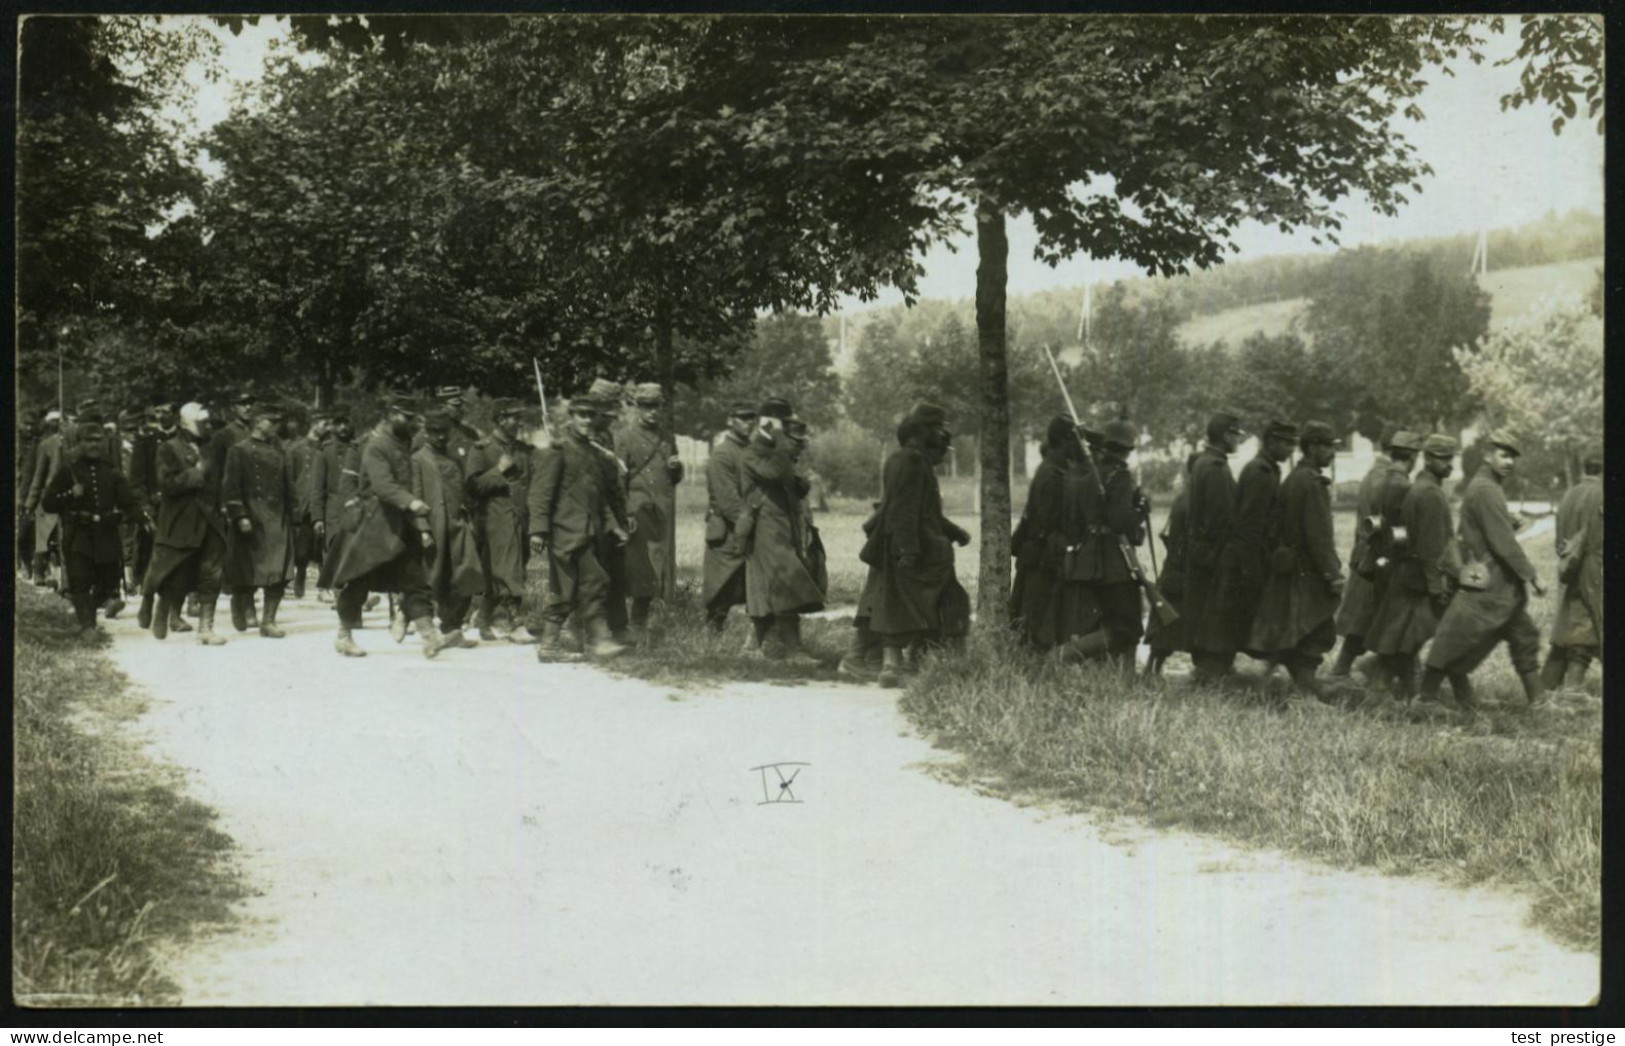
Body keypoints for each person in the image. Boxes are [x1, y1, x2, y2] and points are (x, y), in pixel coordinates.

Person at [1420, 433, 1547, 711]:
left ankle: (1539, 700)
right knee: (1455, 639)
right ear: (1487, 455)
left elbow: (1483, 531)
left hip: (1498, 586)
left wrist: (1507, 522)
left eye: (1513, 456)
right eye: (1504, 455)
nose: (1510, 462)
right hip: (1488, 583)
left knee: (1524, 635)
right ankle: (1425, 698)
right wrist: (1532, 575)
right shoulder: (1486, 489)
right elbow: (1502, 542)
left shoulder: (1486, 486)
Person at [326, 395, 451, 659]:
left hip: (400, 526)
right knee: (359, 582)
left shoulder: (405, 443)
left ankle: (430, 637)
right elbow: (382, 485)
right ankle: (344, 636)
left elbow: (409, 481)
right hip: (374, 525)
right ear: (391, 414)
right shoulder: (376, 445)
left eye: (412, 417)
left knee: (415, 580)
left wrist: (419, 524)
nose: (410, 422)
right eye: (405, 417)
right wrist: (412, 503)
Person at [865, 402, 972, 687]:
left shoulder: (913, 460)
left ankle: (906, 663)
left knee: (911, 604)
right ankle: (895, 667)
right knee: (908, 605)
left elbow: (928, 513)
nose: (941, 436)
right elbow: (903, 510)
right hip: (913, 548)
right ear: (919, 432)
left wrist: (954, 532)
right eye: (936, 429)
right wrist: (907, 550)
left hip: (921, 545)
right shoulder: (909, 462)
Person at [1248, 422, 1346, 698]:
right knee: (1315, 628)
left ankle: (1288, 683)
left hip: (1292, 568)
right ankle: (1299, 686)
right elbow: (1319, 536)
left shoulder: (1295, 478)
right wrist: (1333, 574)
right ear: (1313, 447)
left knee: (1295, 630)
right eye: (1327, 447)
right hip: (1307, 572)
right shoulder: (1311, 483)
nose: (1332, 454)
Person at [528, 393, 629, 661]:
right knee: (594, 581)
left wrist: (613, 526)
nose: (586, 420)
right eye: (581, 414)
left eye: (591, 415)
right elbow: (540, 493)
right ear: (571, 416)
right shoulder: (557, 450)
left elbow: (599, 497)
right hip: (566, 530)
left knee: (567, 588)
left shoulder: (594, 453)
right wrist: (538, 530)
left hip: (590, 531)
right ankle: (599, 641)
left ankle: (550, 645)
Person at [1366, 435, 1461, 703]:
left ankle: (1407, 690)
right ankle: (1384, 691)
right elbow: (1431, 548)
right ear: (1427, 459)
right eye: (1442, 458)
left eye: (1450, 458)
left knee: (1404, 638)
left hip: (1408, 575)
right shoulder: (1429, 494)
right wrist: (1436, 587)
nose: (1448, 464)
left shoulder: (1419, 488)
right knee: (1408, 638)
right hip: (1419, 580)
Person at [738, 397, 826, 663]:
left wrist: (801, 481)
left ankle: (755, 646)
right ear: (770, 423)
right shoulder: (754, 451)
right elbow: (773, 473)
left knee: (767, 586)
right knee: (788, 580)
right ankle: (794, 650)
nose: (788, 429)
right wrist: (783, 445)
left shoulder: (776, 449)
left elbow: (789, 481)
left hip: (782, 526)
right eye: (783, 423)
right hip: (765, 526)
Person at [1331, 430, 1422, 681]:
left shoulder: (1375, 475)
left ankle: (1397, 674)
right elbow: (1394, 525)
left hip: (1369, 554)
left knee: (1368, 619)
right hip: (1381, 556)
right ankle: (1388, 677)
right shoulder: (1393, 481)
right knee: (1381, 619)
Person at [41, 420, 141, 640]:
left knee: (108, 582)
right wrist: (70, 495)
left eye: (98, 440)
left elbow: (129, 502)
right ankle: (86, 624)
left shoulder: (112, 472)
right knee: (80, 579)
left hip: (105, 535)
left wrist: (131, 516)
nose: (94, 445)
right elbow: (48, 503)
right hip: (78, 534)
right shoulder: (69, 471)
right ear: (79, 443)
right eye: (89, 440)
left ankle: (89, 616)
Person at [145, 402, 231, 645]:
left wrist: (223, 506)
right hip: (181, 522)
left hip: (210, 521)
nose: (207, 426)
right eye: (202, 422)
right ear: (187, 423)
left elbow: (220, 482)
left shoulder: (211, 448)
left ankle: (206, 628)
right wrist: (197, 473)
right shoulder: (168, 448)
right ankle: (163, 610)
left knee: (211, 574)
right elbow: (167, 484)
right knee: (177, 574)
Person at [613, 382, 684, 639]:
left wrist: (676, 469)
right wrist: (624, 515)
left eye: (656, 406)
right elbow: (618, 480)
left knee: (654, 567)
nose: (652, 412)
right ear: (636, 407)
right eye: (646, 406)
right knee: (636, 568)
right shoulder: (624, 438)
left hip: (659, 512)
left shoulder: (667, 438)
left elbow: (672, 478)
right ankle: (629, 625)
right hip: (636, 511)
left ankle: (637, 623)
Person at [221, 402, 297, 638]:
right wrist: (240, 515)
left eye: (276, 422)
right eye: (270, 421)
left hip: (276, 517)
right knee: (247, 568)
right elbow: (231, 488)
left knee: (280, 570)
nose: (275, 426)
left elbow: (288, 487)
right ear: (258, 422)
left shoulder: (279, 451)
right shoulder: (239, 450)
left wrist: (292, 516)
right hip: (251, 516)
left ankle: (268, 621)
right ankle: (240, 601)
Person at [1183, 411, 1248, 683]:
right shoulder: (1216, 468)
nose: (1238, 441)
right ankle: (1213, 671)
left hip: (1201, 550)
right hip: (1214, 553)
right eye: (1235, 435)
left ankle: (1209, 668)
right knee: (1216, 611)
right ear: (1225, 436)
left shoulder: (1203, 463)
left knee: (1204, 609)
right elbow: (1222, 518)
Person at [412, 408, 483, 649]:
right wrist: (422, 527)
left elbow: (463, 489)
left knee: (469, 573)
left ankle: (453, 628)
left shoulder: (454, 458)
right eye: (435, 433)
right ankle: (412, 616)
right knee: (434, 577)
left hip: (458, 524)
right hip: (434, 527)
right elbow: (416, 494)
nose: (440, 437)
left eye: (444, 432)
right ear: (426, 432)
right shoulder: (418, 458)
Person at [466, 398, 535, 642]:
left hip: (521, 516)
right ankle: (516, 623)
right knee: (508, 569)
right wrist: (499, 471)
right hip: (496, 517)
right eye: (513, 417)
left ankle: (483, 617)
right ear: (500, 419)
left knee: (513, 567)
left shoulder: (523, 450)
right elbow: (472, 487)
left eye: (519, 417)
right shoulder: (482, 449)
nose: (518, 422)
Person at [1009, 416, 1077, 651]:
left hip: (1043, 551)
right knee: (1037, 613)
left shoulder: (1054, 469)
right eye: (1076, 438)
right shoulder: (1052, 474)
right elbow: (1046, 520)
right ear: (1066, 439)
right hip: (1044, 554)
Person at [1088, 419, 1150, 671]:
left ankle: (1117, 676)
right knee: (1127, 625)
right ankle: (1064, 655)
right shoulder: (1121, 476)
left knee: (1112, 621)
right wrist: (1141, 510)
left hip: (1095, 556)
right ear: (1128, 449)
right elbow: (1120, 521)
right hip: (1116, 558)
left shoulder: (1093, 472)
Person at [1541, 443, 1603, 691]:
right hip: (1594, 569)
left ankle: (1546, 686)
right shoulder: (1603, 494)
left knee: (1568, 625)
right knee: (1587, 625)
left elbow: (1559, 542)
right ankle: (1572, 690)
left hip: (1569, 567)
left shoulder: (1569, 494)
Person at [701, 403, 758, 632]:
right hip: (727, 531)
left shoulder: (753, 451)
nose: (748, 423)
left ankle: (757, 638)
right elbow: (727, 501)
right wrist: (750, 525)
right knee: (721, 588)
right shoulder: (723, 453)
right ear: (731, 420)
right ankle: (709, 637)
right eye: (743, 418)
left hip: (747, 527)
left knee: (752, 584)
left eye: (751, 418)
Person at [210, 391, 262, 632]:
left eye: (251, 403)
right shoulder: (223, 436)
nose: (248, 407)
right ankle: (239, 602)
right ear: (233, 407)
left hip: (256, 502)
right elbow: (217, 473)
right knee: (236, 555)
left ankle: (249, 601)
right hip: (233, 502)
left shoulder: (259, 433)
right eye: (243, 403)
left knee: (255, 554)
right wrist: (222, 503)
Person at [1145, 453, 1200, 677]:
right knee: (1171, 625)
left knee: (1166, 628)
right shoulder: (1193, 501)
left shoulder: (1183, 499)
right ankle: (1152, 670)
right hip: (1183, 571)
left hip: (1175, 570)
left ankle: (1152, 669)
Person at [311, 406, 357, 604]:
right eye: (339, 424)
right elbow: (317, 488)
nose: (343, 428)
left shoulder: (358, 450)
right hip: (333, 511)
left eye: (346, 423)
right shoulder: (325, 453)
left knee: (355, 553)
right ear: (332, 427)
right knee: (335, 553)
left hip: (355, 508)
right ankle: (341, 598)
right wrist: (318, 518)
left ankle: (353, 599)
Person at [23, 409, 67, 589]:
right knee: (44, 537)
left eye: (59, 421)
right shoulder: (46, 444)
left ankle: (66, 580)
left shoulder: (75, 443)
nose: (57, 425)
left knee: (66, 540)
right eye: (53, 421)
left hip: (70, 497)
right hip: (49, 496)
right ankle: (39, 572)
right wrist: (30, 502)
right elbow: (39, 475)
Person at [286, 409, 327, 599]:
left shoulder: (326, 448)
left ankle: (324, 584)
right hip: (302, 503)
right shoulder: (297, 449)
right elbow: (290, 478)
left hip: (321, 502)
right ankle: (299, 573)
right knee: (302, 547)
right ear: (314, 423)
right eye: (323, 423)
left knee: (323, 545)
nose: (326, 428)